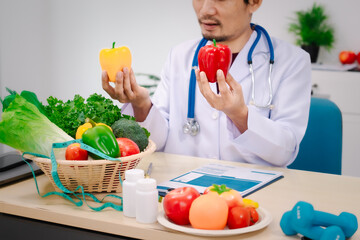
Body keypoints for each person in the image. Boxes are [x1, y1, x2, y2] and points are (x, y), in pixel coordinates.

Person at [102, 0, 311, 167]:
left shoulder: (291, 61)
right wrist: (141, 105)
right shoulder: (180, 56)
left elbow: (285, 151)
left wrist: (240, 115)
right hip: (183, 191)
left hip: (253, 195)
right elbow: (159, 141)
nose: (205, 9)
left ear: (254, 2)